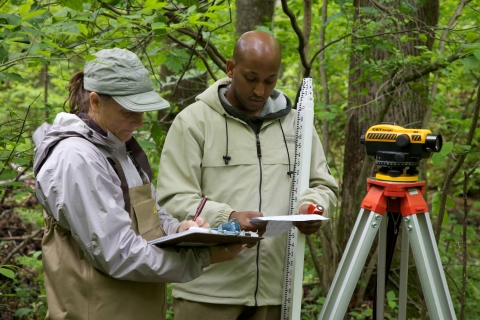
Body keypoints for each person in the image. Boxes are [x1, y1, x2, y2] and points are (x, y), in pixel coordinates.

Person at [33, 48, 244, 320]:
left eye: (142, 110)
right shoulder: (76, 158)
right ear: (95, 101)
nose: (140, 121)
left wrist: (180, 229)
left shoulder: (117, 147)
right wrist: (201, 258)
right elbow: (117, 252)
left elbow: (150, 214)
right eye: (128, 111)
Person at [156, 31, 339, 319]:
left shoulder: (296, 125)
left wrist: (313, 207)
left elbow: (322, 184)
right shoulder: (193, 122)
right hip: (207, 293)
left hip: (278, 293)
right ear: (230, 69)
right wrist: (228, 216)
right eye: (251, 78)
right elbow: (172, 198)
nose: (260, 91)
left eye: (270, 81)